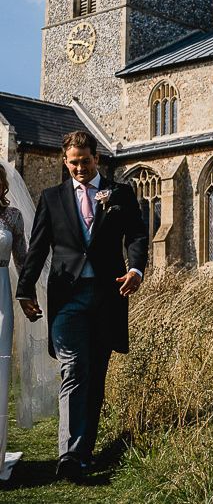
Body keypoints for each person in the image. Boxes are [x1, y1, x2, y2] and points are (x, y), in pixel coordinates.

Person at [16, 131, 148, 482]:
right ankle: (70, 455)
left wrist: (135, 268)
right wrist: (25, 289)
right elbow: (38, 246)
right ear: (65, 161)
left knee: (95, 376)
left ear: (97, 158)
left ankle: (84, 451)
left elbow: (136, 234)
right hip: (68, 297)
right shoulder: (52, 197)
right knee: (74, 368)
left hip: (109, 296)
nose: (79, 168)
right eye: (73, 162)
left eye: (85, 161)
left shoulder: (119, 194)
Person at [0, 163, 25, 479]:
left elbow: (24, 259)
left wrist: (29, 293)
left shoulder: (13, 217)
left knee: (0, 371)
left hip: (1, 295)